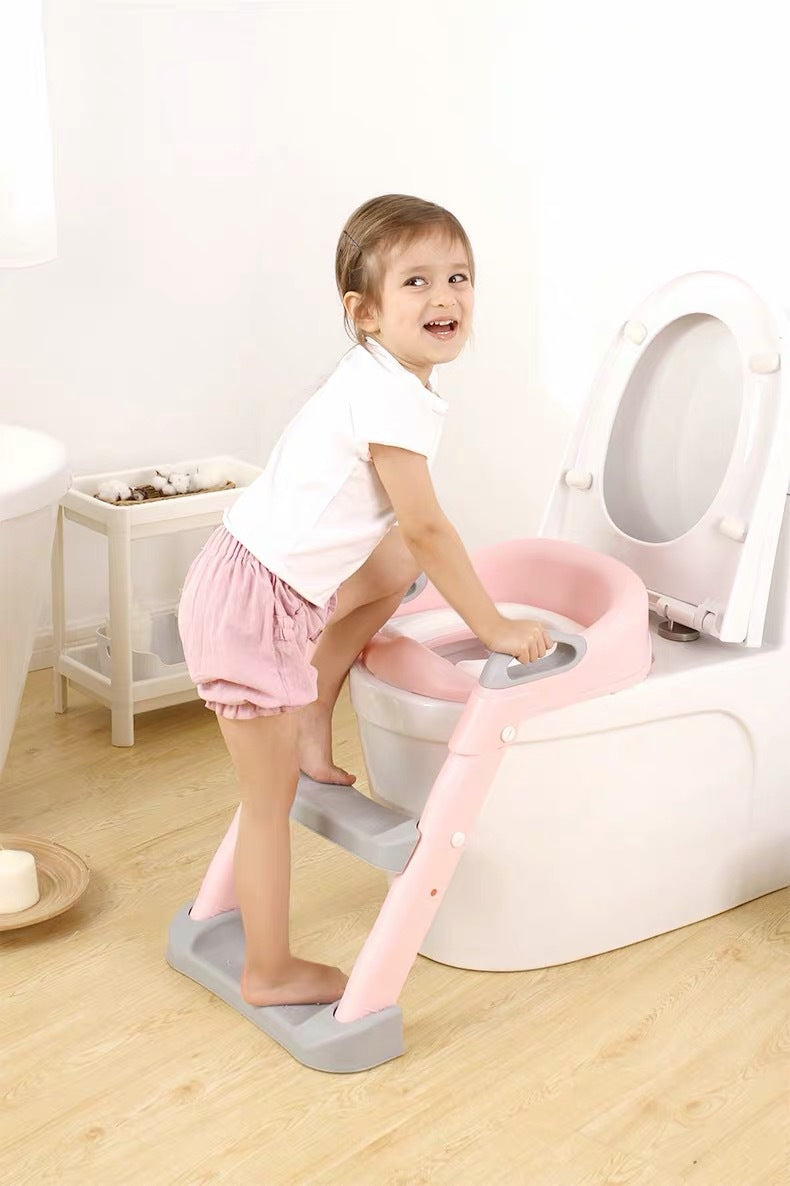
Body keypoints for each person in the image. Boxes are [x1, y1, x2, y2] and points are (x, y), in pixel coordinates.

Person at [177, 193, 552, 1008]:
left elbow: (401, 548)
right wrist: (493, 625)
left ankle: (313, 716)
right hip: (253, 608)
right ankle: (269, 969)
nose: (445, 297)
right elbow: (426, 526)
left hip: (262, 585)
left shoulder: (381, 375)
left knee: (388, 571)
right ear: (366, 312)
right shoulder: (391, 396)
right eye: (416, 282)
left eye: (458, 277)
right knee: (268, 802)